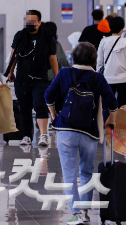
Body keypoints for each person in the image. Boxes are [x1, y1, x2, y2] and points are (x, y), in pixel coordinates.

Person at [45, 42, 118, 225]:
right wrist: (111, 120)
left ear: (74, 57)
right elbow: (112, 102)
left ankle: (76, 213)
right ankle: (85, 211)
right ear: (94, 59)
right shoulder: (98, 78)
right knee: (86, 172)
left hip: (66, 131)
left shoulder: (64, 73)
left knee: (69, 175)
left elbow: (48, 95)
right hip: (89, 132)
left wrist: (54, 114)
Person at [7, 10, 59, 147]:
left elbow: (52, 57)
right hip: (22, 78)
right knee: (24, 108)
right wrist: (10, 72)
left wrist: (57, 75)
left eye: (33, 21)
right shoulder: (20, 36)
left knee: (40, 104)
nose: (30, 24)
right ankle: (26, 136)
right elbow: (14, 55)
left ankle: (43, 135)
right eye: (28, 21)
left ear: (39, 22)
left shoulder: (47, 36)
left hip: (40, 77)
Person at [97, 16, 126, 108]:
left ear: (110, 27)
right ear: (122, 29)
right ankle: (121, 122)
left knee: (108, 106)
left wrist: (99, 75)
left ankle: (109, 122)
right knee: (123, 107)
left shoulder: (104, 41)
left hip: (107, 78)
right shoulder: (125, 42)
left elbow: (99, 62)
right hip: (124, 79)